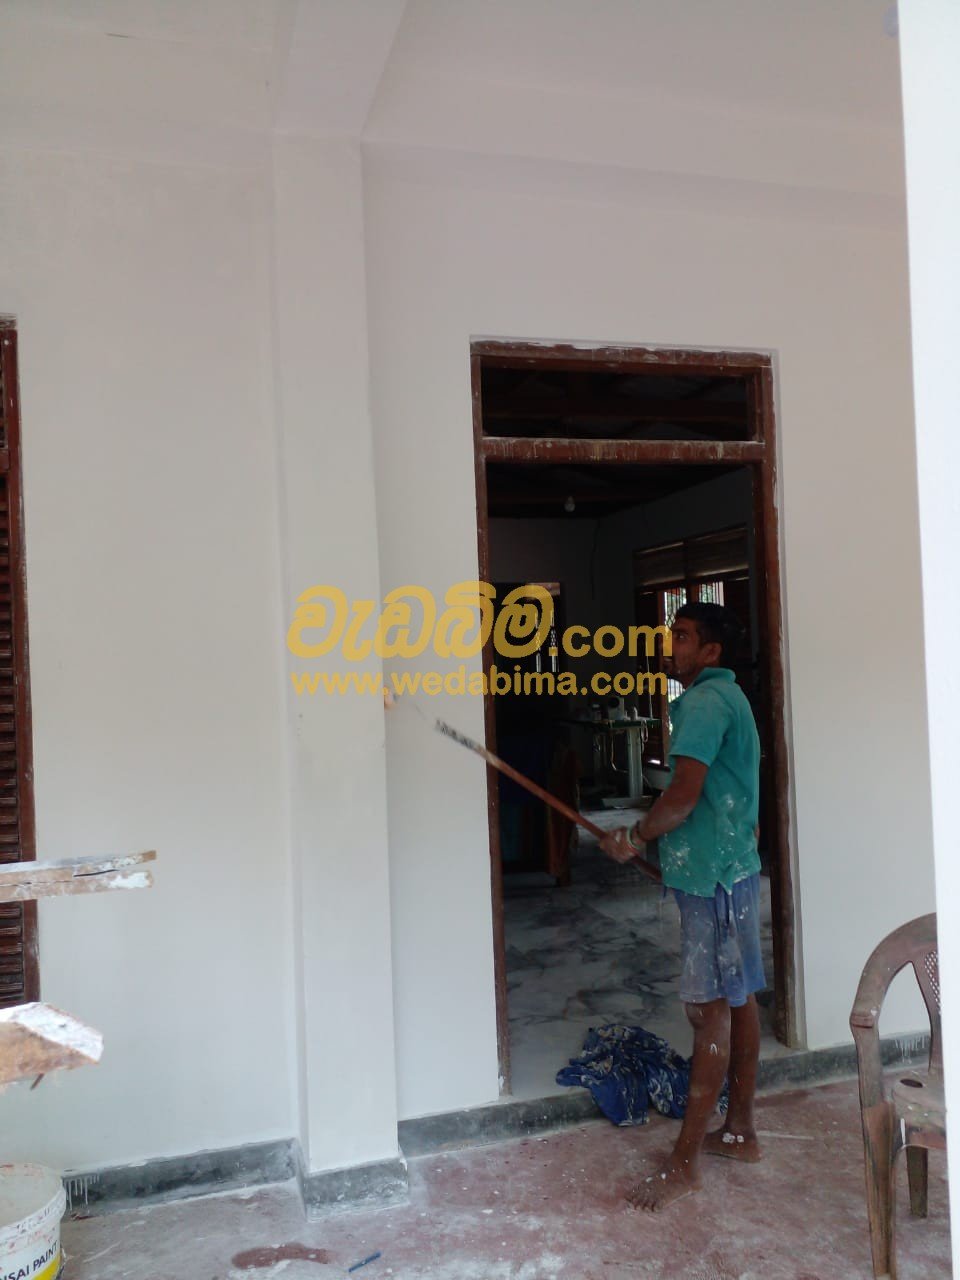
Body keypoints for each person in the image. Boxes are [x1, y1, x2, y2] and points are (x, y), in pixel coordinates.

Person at [599, 601, 764, 1212]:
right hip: (734, 869)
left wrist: (634, 836)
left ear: (711, 651)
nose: (673, 644)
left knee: (707, 1011)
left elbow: (684, 796)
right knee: (739, 998)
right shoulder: (731, 697)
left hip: (714, 880)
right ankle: (739, 1132)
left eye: (685, 637)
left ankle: (685, 1162)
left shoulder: (703, 703)